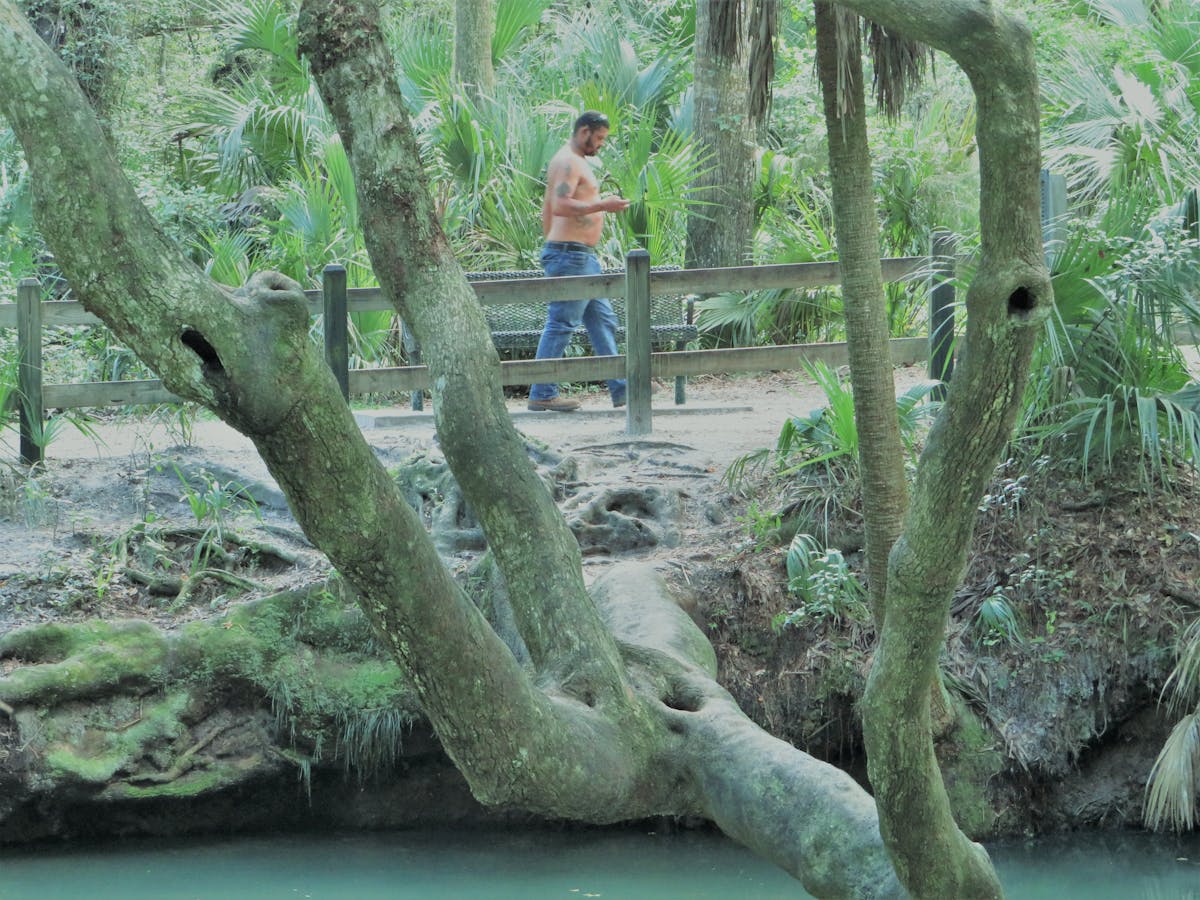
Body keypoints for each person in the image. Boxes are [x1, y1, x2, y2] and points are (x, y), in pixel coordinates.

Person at [527, 110, 632, 412]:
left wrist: (552, 244)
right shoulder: (568, 161)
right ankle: (542, 392)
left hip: (579, 256)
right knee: (562, 322)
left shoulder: (574, 162)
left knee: (603, 321)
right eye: (599, 138)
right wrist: (603, 205)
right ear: (584, 131)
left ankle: (622, 388)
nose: (601, 144)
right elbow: (559, 205)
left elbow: (549, 209)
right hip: (570, 255)